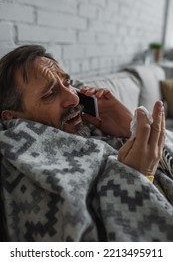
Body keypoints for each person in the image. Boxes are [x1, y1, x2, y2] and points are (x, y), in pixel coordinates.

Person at [0, 45, 165, 179]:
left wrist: (130, 130)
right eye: (50, 93)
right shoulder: (26, 167)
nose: (75, 98)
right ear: (12, 116)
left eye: (68, 83)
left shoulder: (96, 128)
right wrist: (137, 177)